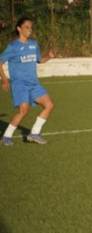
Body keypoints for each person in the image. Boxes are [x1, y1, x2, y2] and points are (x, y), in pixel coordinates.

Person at [1, 17, 56, 145]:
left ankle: (34, 134)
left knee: (49, 105)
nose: (29, 30)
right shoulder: (13, 47)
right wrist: (4, 80)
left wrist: (49, 56)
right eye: (26, 27)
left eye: (30, 27)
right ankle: (6, 137)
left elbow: (39, 60)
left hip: (33, 83)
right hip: (19, 84)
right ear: (19, 28)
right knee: (24, 110)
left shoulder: (33, 44)